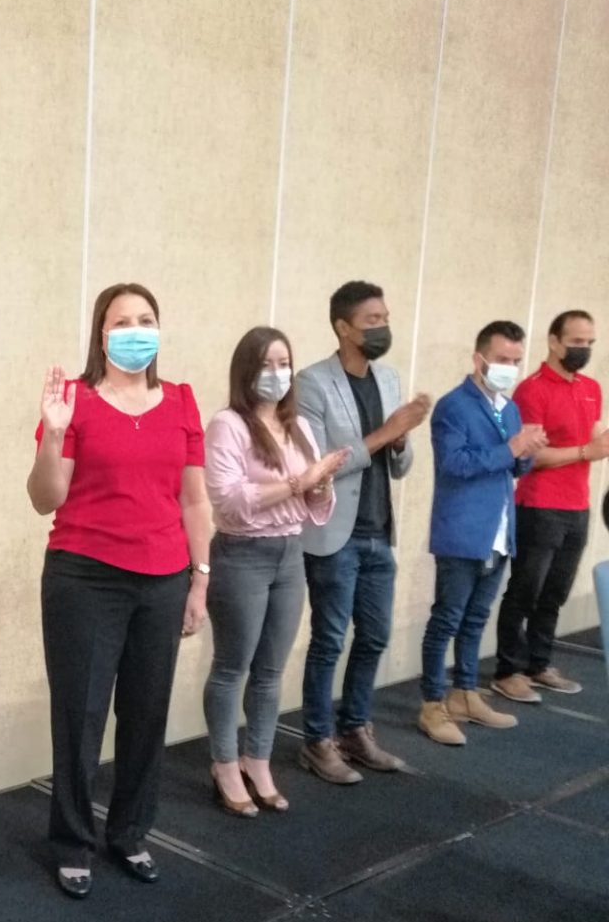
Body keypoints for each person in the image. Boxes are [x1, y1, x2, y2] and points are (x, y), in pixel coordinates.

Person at [28, 283, 210, 898]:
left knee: (147, 714)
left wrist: (200, 578)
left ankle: (130, 832)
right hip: (84, 577)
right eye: (121, 321)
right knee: (80, 716)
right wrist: (54, 435)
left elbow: (194, 500)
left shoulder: (181, 401)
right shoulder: (74, 402)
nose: (135, 330)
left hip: (164, 578)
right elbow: (45, 498)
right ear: (100, 334)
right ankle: (72, 841)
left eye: (146, 319)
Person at [202, 328, 347, 815]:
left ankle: (258, 759)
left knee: (270, 671)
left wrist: (320, 486)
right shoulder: (228, 424)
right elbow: (228, 500)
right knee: (232, 667)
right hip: (241, 553)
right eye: (266, 364)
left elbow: (314, 506)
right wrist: (299, 483)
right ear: (246, 370)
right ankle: (225, 764)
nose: (277, 374)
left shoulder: (298, 425)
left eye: (284, 363)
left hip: (290, 553)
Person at [295, 281, 431, 783]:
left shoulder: (389, 379)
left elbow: (401, 464)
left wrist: (400, 441)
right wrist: (388, 432)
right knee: (329, 640)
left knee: (374, 637)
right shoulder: (312, 383)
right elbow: (318, 466)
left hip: (379, 529)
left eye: (385, 318)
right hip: (335, 533)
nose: (383, 327)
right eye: (373, 320)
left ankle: (355, 729)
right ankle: (317, 740)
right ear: (343, 327)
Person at [418, 321, 547, 745]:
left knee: (475, 620)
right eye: (502, 359)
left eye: (516, 360)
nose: (509, 367)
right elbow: (455, 464)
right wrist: (511, 448)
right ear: (479, 359)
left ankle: (465, 693)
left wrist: (527, 450)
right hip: (462, 531)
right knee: (447, 619)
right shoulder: (453, 407)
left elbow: (515, 466)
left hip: (499, 529)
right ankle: (432, 703)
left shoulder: (509, 408)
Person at [492, 310, 606, 701]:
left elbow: (593, 438)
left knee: (555, 592)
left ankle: (538, 663)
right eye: (576, 342)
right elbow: (530, 455)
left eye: (589, 342)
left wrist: (595, 446)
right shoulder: (533, 390)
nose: (584, 349)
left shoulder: (591, 388)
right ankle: (507, 669)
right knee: (525, 590)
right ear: (554, 342)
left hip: (578, 505)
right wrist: (586, 451)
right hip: (539, 504)